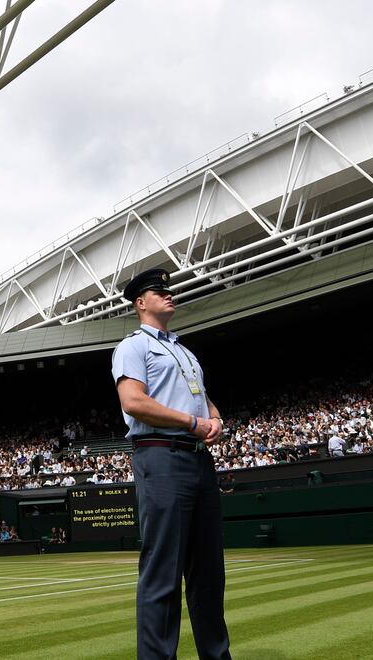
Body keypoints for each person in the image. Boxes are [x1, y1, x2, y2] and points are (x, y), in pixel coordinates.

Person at [111, 267, 230, 660]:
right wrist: (195, 423)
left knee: (209, 575)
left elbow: (203, 398)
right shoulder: (133, 346)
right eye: (158, 291)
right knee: (163, 574)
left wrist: (215, 419)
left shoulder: (185, 350)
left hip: (199, 460)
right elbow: (134, 402)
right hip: (161, 456)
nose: (168, 294)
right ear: (140, 303)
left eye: (168, 290)